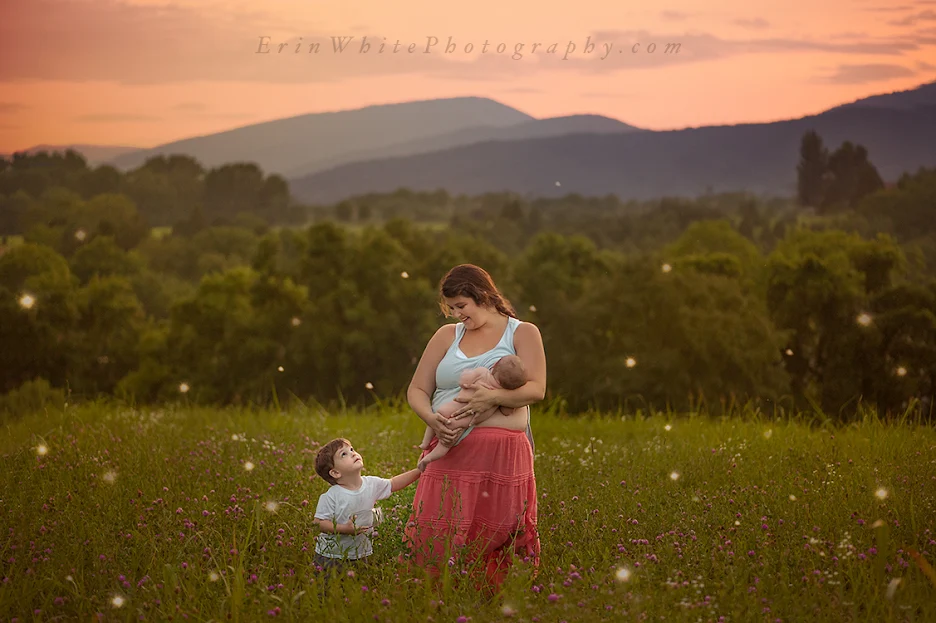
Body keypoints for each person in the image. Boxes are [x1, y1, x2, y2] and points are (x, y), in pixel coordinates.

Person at [404, 264, 546, 593]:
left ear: (481, 295)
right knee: (439, 529)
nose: (456, 314)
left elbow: (536, 389)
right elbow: (416, 390)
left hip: (500, 456)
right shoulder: (447, 336)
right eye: (451, 308)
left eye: (461, 306)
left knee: (497, 529)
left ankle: (494, 596)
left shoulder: (522, 332)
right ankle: (438, 596)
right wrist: (432, 419)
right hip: (450, 446)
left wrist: (491, 398)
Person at [313, 438, 421, 573]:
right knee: (329, 589)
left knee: (357, 587)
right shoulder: (331, 496)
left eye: (351, 449)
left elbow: (393, 484)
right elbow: (318, 523)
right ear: (335, 472)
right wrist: (344, 529)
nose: (353, 453)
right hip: (331, 555)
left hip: (360, 553)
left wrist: (419, 471)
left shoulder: (371, 484)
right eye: (344, 454)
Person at [417, 355, 527, 472]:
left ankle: (425, 442)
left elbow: (463, 381)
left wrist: (466, 376)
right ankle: (429, 458)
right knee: (445, 445)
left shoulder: (482, 373)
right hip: (464, 422)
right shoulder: (500, 394)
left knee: (436, 417)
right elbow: (506, 412)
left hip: (451, 409)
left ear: (495, 366)